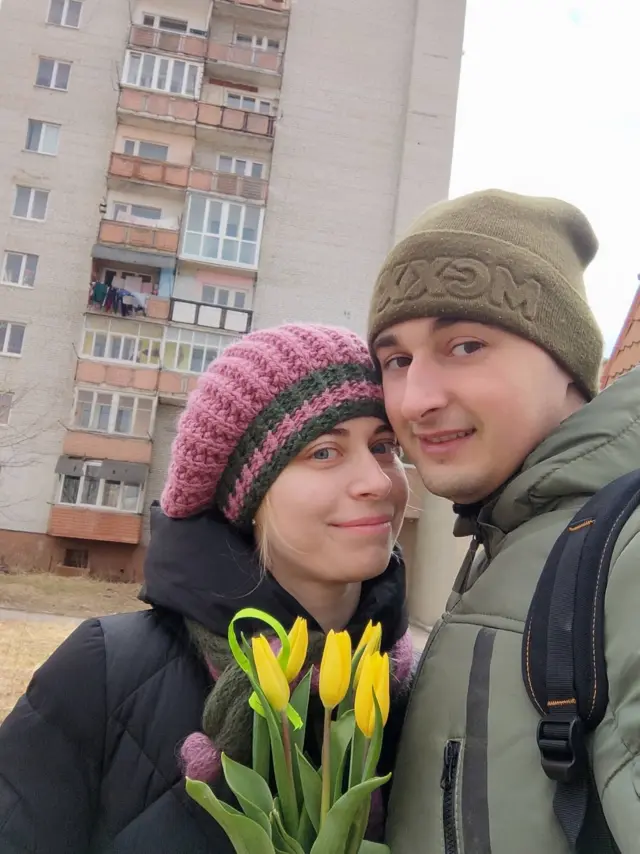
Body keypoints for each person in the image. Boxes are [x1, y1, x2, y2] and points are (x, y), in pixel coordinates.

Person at [0, 324, 413, 853]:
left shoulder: (423, 690)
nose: (378, 482)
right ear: (246, 497)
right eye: (325, 452)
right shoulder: (104, 673)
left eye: (384, 446)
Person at [367, 189, 640, 853]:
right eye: (396, 360)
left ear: (567, 361)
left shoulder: (626, 546)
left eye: (464, 346)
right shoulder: (508, 535)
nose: (417, 399)